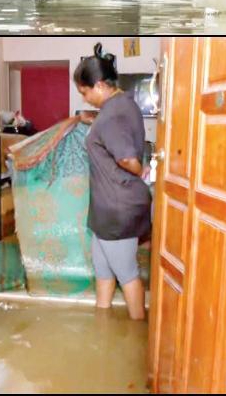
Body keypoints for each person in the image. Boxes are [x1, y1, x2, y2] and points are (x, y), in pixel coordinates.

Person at [74, 43, 152, 320]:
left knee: (127, 274)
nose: (84, 99)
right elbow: (111, 127)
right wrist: (90, 120)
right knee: (104, 269)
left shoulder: (111, 117)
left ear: (98, 85)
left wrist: (138, 168)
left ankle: (136, 330)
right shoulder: (122, 104)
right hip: (107, 207)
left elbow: (127, 158)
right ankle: (103, 324)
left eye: (84, 93)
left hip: (117, 207)